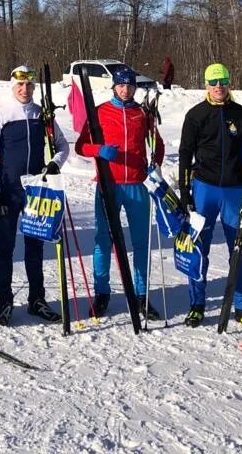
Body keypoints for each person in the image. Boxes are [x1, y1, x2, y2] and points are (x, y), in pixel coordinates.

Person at [0, 65, 70, 325]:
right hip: (8, 190)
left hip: (36, 191)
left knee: (35, 247)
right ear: (12, 86)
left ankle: (37, 300)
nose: (25, 90)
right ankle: (5, 302)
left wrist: (54, 163)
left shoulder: (42, 115)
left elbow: (63, 147)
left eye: (30, 85)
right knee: (5, 247)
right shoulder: (1, 114)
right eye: (20, 85)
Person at [75, 67, 164, 321]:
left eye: (130, 86)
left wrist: (154, 162)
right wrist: (100, 150)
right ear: (114, 86)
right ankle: (101, 293)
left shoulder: (142, 113)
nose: (125, 90)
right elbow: (81, 146)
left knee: (141, 242)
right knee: (104, 240)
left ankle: (141, 296)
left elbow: (157, 143)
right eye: (121, 85)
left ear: (135, 87)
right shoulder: (100, 112)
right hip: (109, 184)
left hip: (137, 184)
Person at [177, 62, 242, 329]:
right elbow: (184, 154)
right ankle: (197, 305)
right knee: (198, 249)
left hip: (234, 191)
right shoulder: (196, 115)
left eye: (222, 82)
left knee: (239, 250)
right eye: (213, 82)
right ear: (206, 85)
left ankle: (241, 305)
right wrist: (184, 192)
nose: (218, 87)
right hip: (205, 189)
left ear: (229, 83)